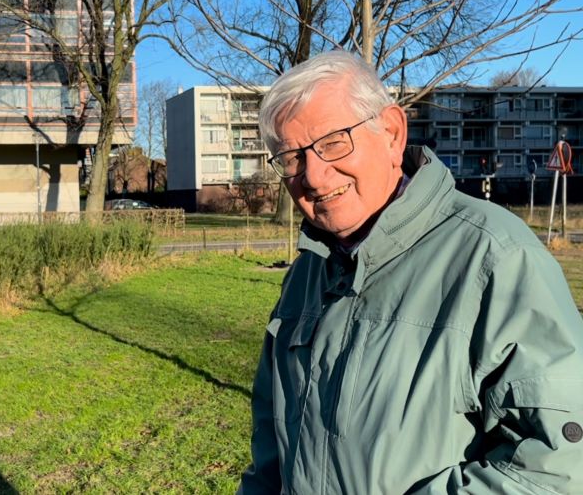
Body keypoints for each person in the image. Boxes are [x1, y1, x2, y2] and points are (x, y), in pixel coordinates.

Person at [238, 50, 583, 494]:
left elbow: (557, 466)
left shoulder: (496, 256)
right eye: (291, 158)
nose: (315, 177)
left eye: (333, 142)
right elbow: (272, 444)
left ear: (392, 133)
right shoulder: (309, 269)